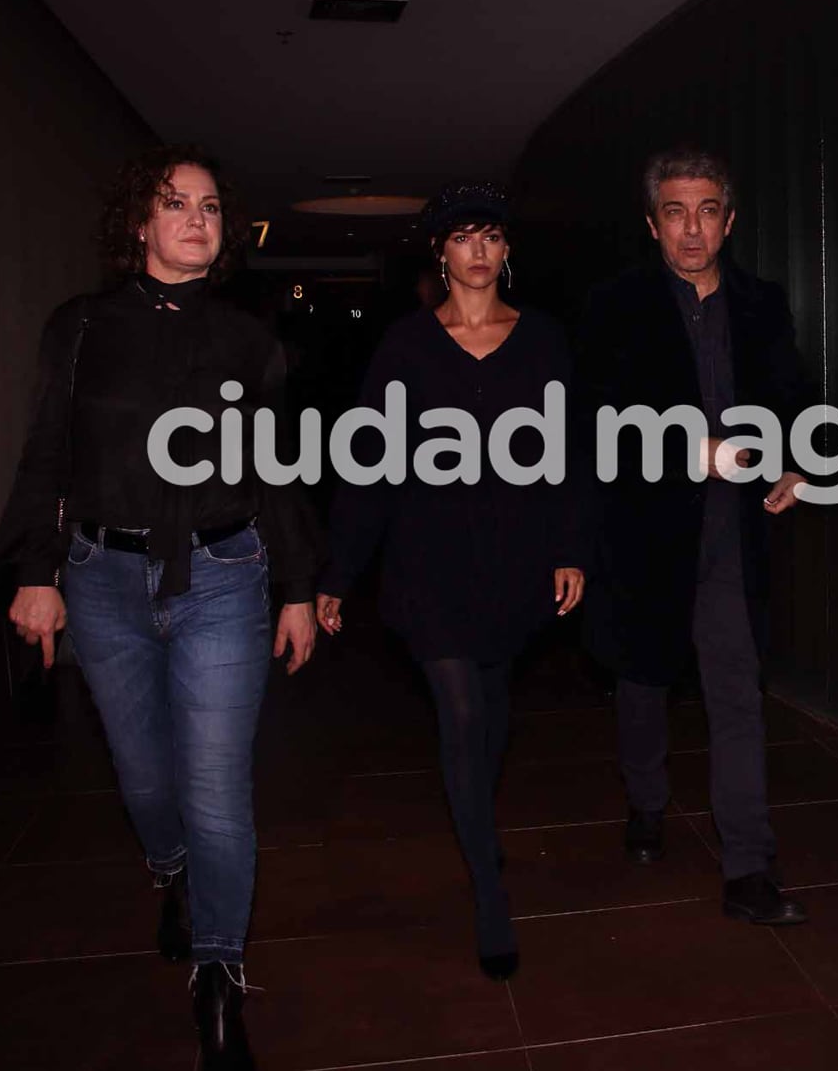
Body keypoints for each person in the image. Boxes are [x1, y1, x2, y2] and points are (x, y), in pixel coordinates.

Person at [0, 145, 320, 1070]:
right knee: (144, 781)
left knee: (218, 791)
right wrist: (36, 571)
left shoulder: (251, 343)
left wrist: (297, 586)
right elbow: (46, 455)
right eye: (175, 204)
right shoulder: (82, 328)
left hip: (224, 574)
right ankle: (170, 874)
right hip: (101, 580)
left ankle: (219, 975)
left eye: (211, 208)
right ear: (139, 223)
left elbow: (278, 471)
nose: (195, 220)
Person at [315, 183, 588, 982]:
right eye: (462, 235)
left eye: (491, 235)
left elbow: (570, 452)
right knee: (462, 712)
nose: (477, 249)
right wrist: (340, 569)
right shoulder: (404, 346)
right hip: (426, 559)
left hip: (514, 555)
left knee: (494, 708)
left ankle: (477, 825)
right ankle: (488, 893)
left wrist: (571, 547)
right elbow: (371, 463)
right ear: (440, 251)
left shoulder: (542, 341)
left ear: (508, 250)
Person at [575, 148, 811, 927]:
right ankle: (646, 801)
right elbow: (594, 424)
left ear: (729, 220)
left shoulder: (760, 303)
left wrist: (799, 463)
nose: (691, 229)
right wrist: (686, 451)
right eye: (674, 212)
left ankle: (749, 866)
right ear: (652, 223)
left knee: (736, 692)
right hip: (644, 532)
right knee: (642, 682)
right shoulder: (615, 306)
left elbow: (793, 399)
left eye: (706, 210)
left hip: (729, 534)